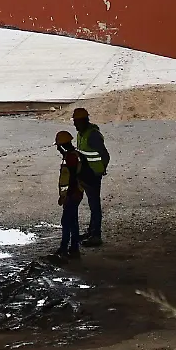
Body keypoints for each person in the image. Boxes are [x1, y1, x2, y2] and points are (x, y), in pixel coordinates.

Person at [72, 108, 110, 246]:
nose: (75, 125)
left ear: (84, 121)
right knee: (92, 204)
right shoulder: (81, 134)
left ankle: (96, 235)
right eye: (74, 122)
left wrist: (101, 170)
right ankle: (92, 231)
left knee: (94, 205)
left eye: (77, 122)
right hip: (86, 174)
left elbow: (105, 155)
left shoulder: (93, 135)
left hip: (93, 175)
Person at [54, 131, 83, 258]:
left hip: (72, 194)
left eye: (59, 146)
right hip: (75, 193)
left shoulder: (71, 158)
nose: (57, 148)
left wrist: (65, 196)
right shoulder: (74, 155)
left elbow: (71, 179)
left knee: (67, 221)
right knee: (72, 221)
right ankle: (73, 248)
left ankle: (65, 247)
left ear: (64, 145)